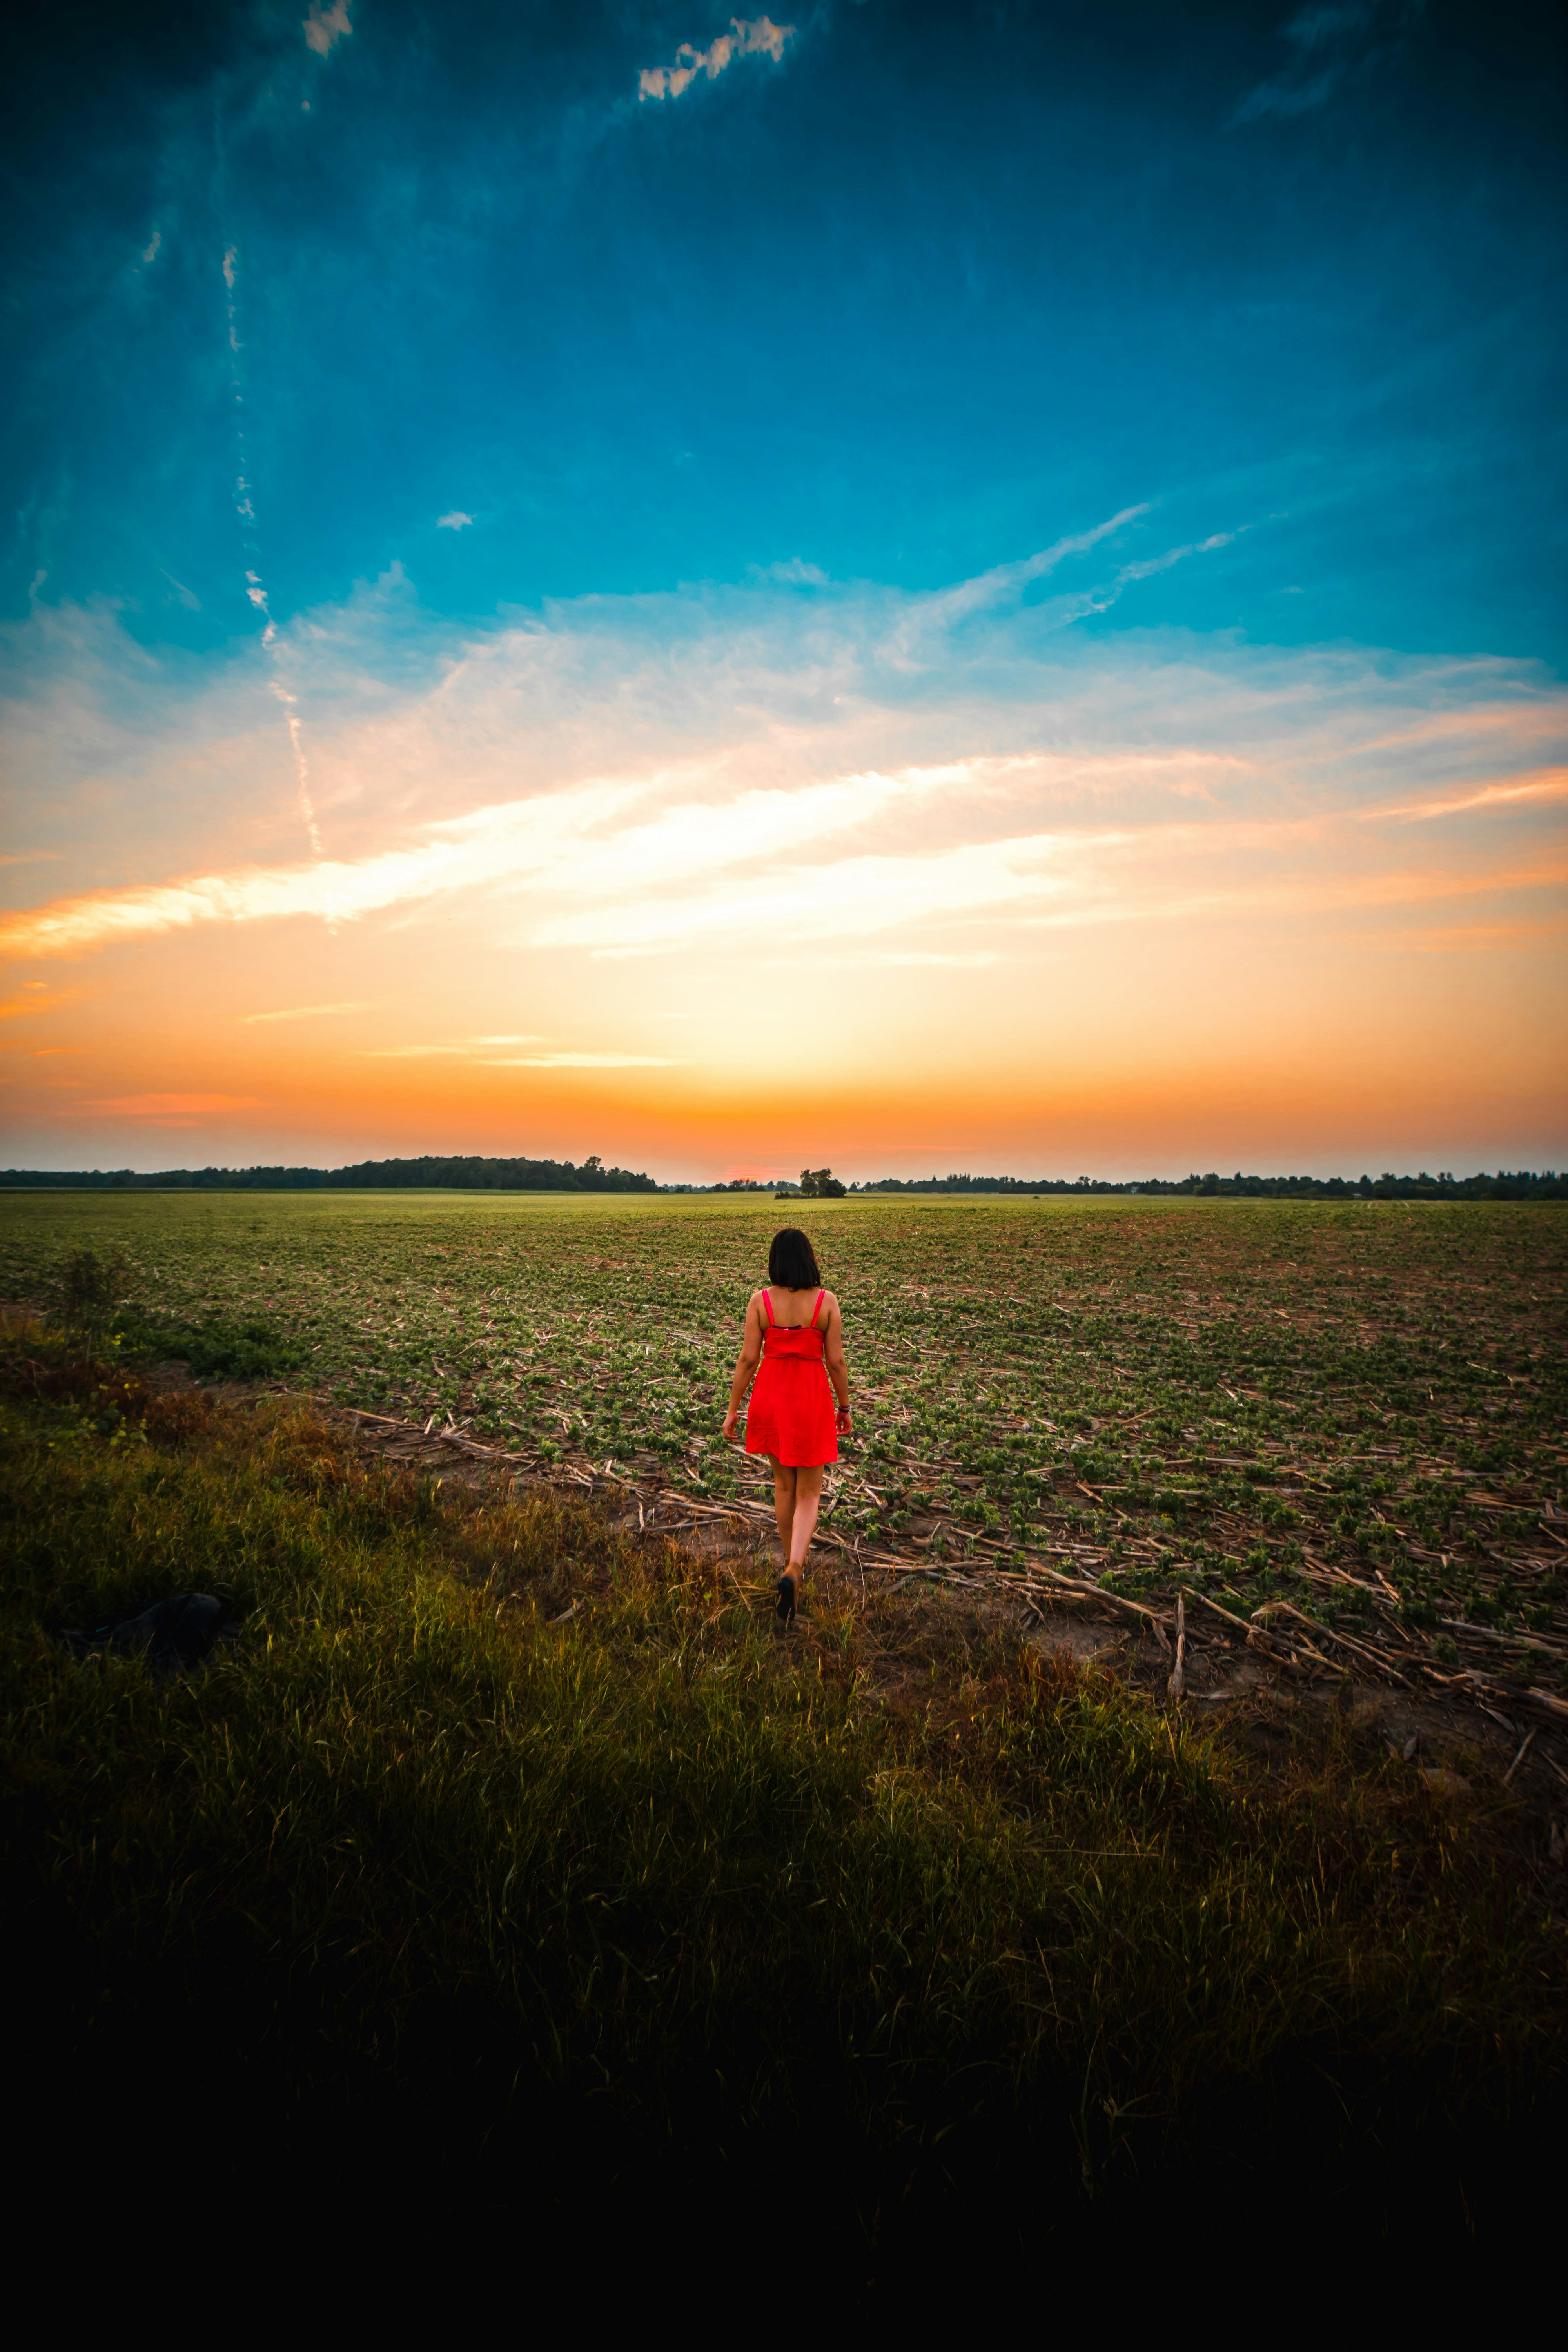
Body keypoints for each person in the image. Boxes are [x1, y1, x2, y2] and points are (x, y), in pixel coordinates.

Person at [721, 1226, 852, 1624]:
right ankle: (795, 1568)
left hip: (772, 1398)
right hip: (810, 1398)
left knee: (783, 1486)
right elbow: (836, 1363)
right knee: (810, 1491)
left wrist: (732, 1410)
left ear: (775, 1262)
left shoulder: (760, 1301)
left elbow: (747, 1360)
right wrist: (844, 1406)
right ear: (809, 1259)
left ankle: (787, 1565)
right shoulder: (826, 1303)